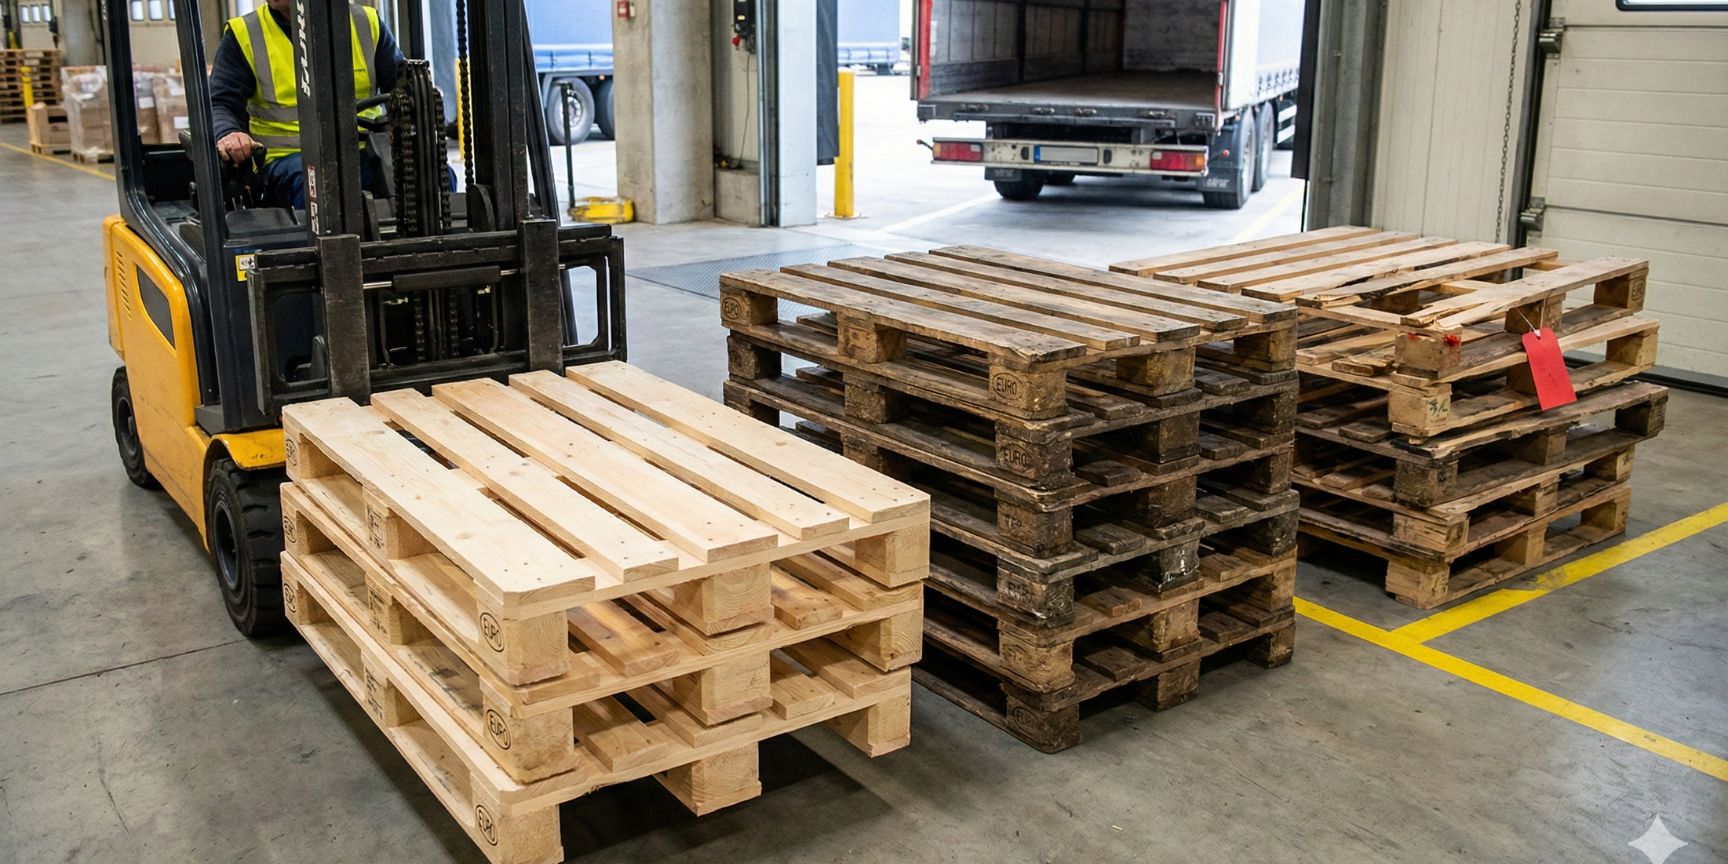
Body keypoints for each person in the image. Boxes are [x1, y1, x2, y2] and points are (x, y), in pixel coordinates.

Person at [210, 0, 405, 210]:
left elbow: (403, 89)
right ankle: (333, 243)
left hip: (364, 150)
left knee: (428, 173)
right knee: (321, 187)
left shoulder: (366, 23)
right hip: (287, 160)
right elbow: (221, 104)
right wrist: (229, 132)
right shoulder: (245, 34)